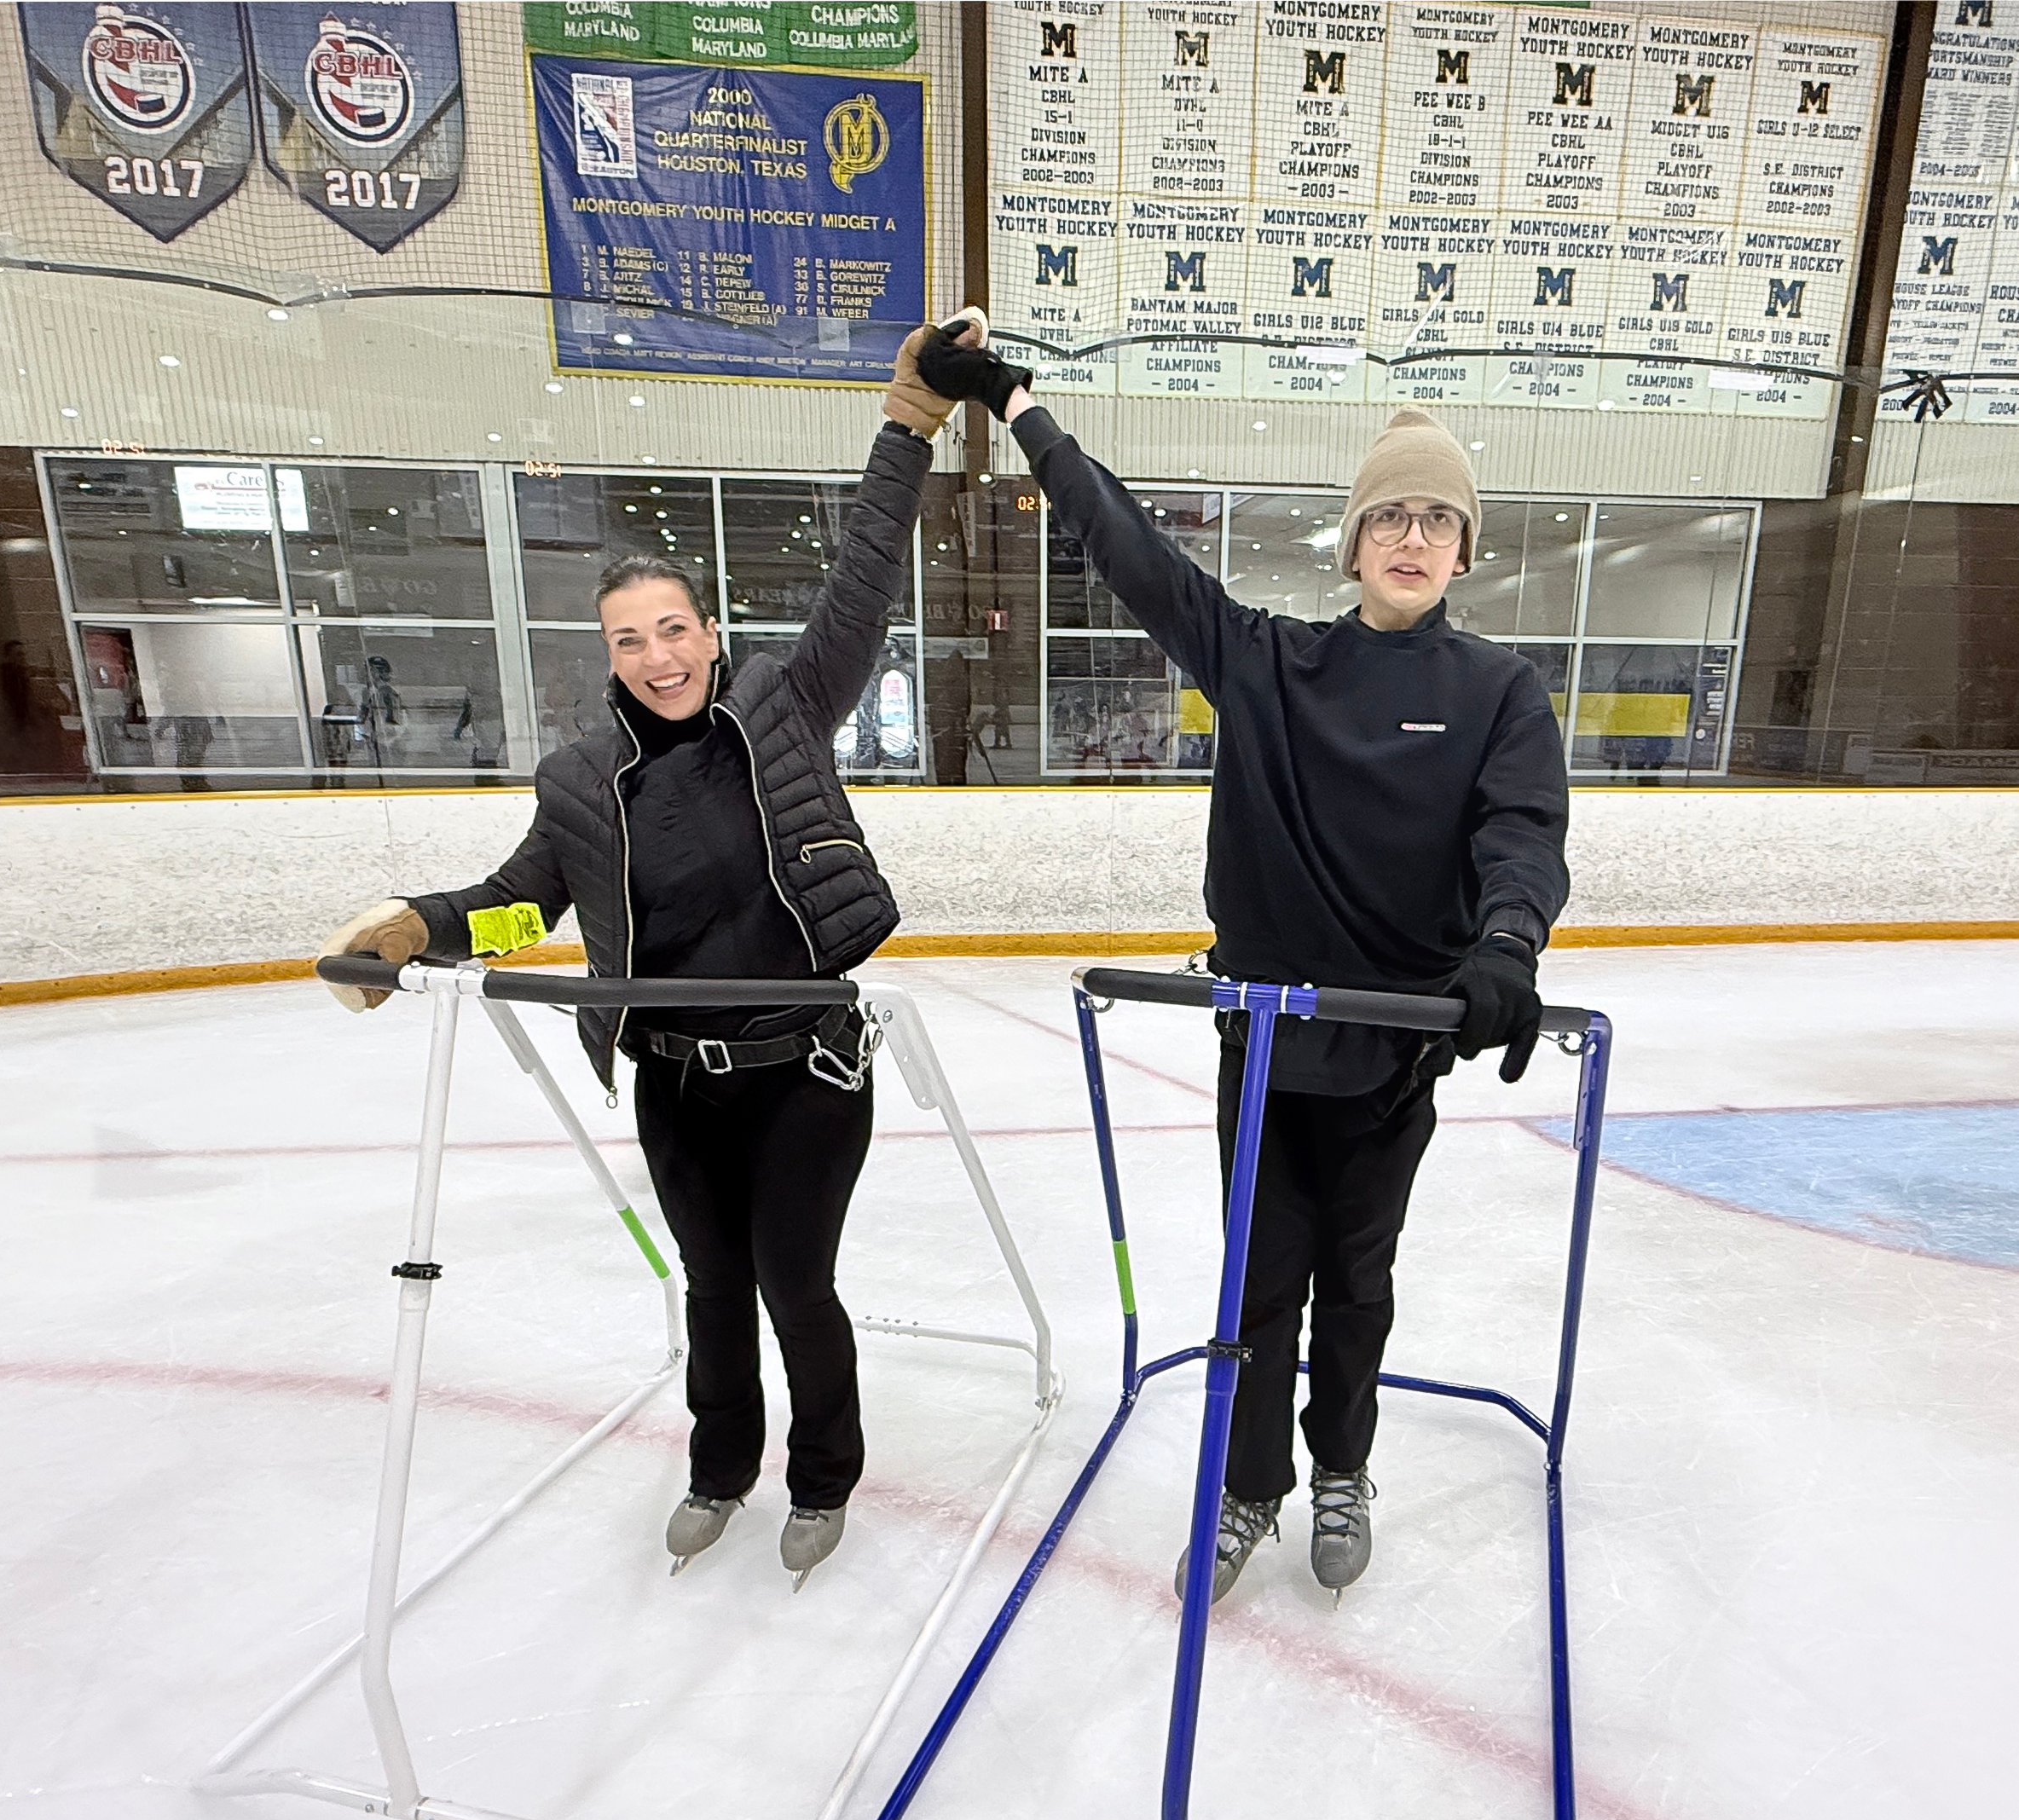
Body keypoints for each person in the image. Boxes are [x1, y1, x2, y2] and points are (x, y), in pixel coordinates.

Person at [315, 313, 983, 1587]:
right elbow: (525, 905)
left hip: (804, 1068)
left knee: (793, 1285)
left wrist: (906, 425)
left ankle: (822, 1476)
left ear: (708, 632)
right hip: (675, 1081)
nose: (657, 657)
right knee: (710, 1287)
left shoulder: (784, 705)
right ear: (609, 656)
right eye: (630, 639)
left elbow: (860, 579)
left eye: (673, 629)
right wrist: (417, 926)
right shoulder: (581, 779)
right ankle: (719, 1467)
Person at [917, 335, 1569, 1604]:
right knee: (1259, 1282)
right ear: (1354, 539)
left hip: (1394, 1051)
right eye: (1391, 515)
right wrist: (1017, 405)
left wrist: (1506, 942)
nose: (1414, 537)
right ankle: (1250, 1482)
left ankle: (1341, 1466)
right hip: (1265, 1043)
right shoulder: (1271, 662)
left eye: (1439, 519)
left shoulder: (1499, 691)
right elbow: (1130, 551)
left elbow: (1520, 835)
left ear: (1463, 549)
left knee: (1358, 1282)